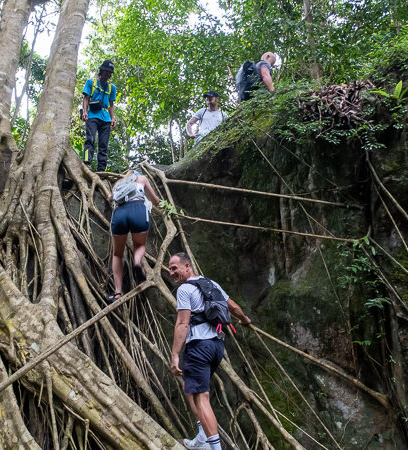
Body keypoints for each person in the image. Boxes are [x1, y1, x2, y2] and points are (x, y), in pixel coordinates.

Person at [168, 252, 251, 450]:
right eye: (170, 269)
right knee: (189, 386)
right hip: (216, 347)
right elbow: (232, 306)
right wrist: (244, 319)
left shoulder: (185, 289)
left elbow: (182, 323)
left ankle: (212, 447)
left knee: (201, 397)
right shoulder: (211, 284)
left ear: (188, 266)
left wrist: (175, 354)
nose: (171, 273)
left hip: (198, 346)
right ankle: (203, 437)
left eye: (174, 268)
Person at [107, 170, 161, 302]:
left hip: (119, 213)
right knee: (140, 245)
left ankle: (117, 292)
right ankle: (137, 262)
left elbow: (110, 198)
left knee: (117, 254)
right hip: (138, 210)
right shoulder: (142, 178)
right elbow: (155, 200)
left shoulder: (119, 183)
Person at [82, 60, 118, 172]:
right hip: (92, 115)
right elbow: (86, 98)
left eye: (110, 73)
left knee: (103, 145)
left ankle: (101, 170)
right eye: (107, 72)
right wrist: (84, 111)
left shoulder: (112, 88)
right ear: (102, 71)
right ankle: (86, 163)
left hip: (105, 118)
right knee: (90, 139)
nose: (109, 75)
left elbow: (111, 105)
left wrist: (113, 118)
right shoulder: (90, 82)